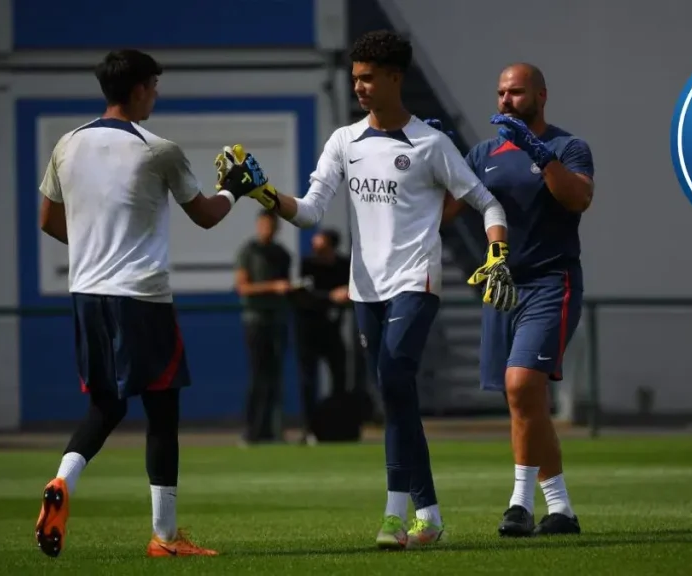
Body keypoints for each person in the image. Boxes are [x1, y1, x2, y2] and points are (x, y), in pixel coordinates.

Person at [213, 30, 517, 550]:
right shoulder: (344, 141)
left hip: (416, 280)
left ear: (395, 78)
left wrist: (497, 254)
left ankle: (395, 517)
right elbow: (309, 212)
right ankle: (429, 515)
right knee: (395, 396)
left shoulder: (431, 144)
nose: (358, 86)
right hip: (364, 289)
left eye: (368, 78)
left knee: (394, 378)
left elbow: (488, 203)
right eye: (355, 77)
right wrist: (262, 193)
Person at [33, 49, 258, 559]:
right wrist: (235, 188)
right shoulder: (158, 150)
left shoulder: (67, 144)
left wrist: (93, 244)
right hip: (141, 297)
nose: (156, 95)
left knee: (106, 405)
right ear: (138, 89)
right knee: (162, 411)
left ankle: (63, 479)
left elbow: (47, 219)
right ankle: (165, 537)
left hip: (87, 294)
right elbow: (206, 216)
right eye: (154, 86)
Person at [437, 63, 595, 538]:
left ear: (541, 96)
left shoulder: (568, 147)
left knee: (522, 384)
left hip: (550, 282)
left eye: (517, 92)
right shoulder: (483, 153)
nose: (506, 100)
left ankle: (519, 505)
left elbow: (579, 199)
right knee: (523, 399)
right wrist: (434, 157)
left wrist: (539, 154)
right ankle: (561, 510)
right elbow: (444, 213)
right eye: (501, 93)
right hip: (502, 285)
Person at [235, 210, 293, 444]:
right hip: (255, 321)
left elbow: (286, 285)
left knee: (275, 377)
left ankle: (274, 430)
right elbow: (243, 287)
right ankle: (252, 430)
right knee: (257, 377)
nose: (267, 230)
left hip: (277, 321)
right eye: (263, 225)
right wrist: (273, 287)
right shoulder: (248, 252)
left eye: (271, 226)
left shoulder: (282, 254)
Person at [294, 229, 351, 445]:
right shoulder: (307, 265)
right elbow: (304, 294)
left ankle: (339, 425)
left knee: (340, 376)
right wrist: (330, 296)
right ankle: (309, 428)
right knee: (308, 380)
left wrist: (347, 293)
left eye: (322, 247)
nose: (317, 251)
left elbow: (353, 289)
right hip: (308, 330)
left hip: (332, 330)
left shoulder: (343, 265)